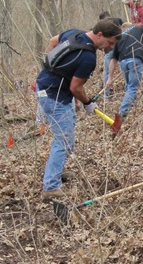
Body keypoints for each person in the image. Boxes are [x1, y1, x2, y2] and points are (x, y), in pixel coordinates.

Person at [35, 17, 122, 198]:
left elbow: (53, 42)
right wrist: (88, 103)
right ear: (99, 35)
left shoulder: (74, 33)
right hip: (54, 96)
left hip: (46, 87)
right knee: (64, 141)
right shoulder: (89, 57)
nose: (110, 47)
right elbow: (76, 87)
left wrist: (51, 70)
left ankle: (55, 172)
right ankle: (50, 186)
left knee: (65, 137)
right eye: (110, 42)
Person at [104, 18, 143, 120]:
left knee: (129, 86)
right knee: (133, 87)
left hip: (123, 62)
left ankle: (133, 108)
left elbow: (113, 60)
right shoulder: (138, 29)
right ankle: (122, 113)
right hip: (136, 60)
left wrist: (110, 78)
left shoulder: (119, 38)